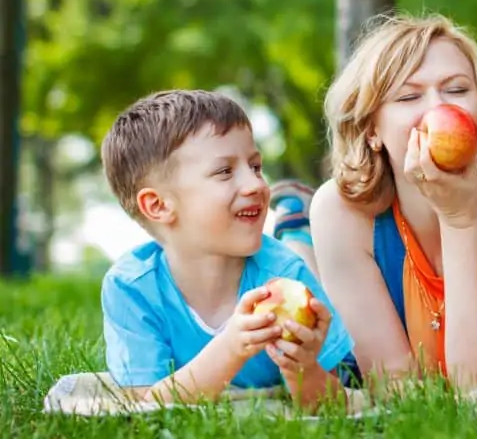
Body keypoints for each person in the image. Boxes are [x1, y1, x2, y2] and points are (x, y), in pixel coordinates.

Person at [296, 13, 477, 411]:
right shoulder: (339, 210)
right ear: (371, 129)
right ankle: (293, 230)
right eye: (408, 97)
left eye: (457, 89)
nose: (437, 108)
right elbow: (394, 389)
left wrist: (459, 219)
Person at [99, 90, 356, 410]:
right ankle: (292, 226)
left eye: (256, 166)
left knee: (304, 263)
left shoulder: (287, 275)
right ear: (159, 205)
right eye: (224, 171)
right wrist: (232, 347)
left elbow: (334, 402)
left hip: (286, 262)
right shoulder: (131, 287)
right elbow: (146, 405)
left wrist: (301, 367)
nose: (256, 185)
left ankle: (295, 229)